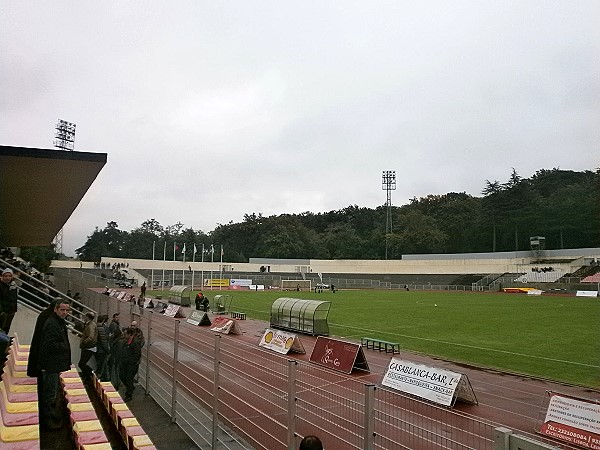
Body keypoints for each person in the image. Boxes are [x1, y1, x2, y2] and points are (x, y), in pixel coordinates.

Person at [37, 300, 72, 430]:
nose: (65, 313)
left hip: (54, 365)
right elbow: (48, 345)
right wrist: (64, 347)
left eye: (67, 310)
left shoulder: (57, 322)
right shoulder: (52, 324)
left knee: (52, 393)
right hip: (51, 365)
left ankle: (53, 420)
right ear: (56, 309)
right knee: (50, 395)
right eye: (62, 310)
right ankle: (50, 423)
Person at [119, 327, 142, 402]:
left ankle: (129, 394)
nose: (124, 335)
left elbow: (137, 354)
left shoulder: (135, 343)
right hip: (125, 363)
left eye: (125, 334)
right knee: (122, 376)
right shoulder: (126, 342)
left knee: (128, 378)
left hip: (131, 365)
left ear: (130, 334)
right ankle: (130, 388)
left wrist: (131, 362)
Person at [78, 311, 98, 381]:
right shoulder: (91, 324)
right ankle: (88, 376)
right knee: (82, 363)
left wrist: (84, 342)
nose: (84, 318)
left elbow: (91, 337)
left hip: (89, 347)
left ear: (87, 317)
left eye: (85, 316)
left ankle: (90, 374)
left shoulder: (90, 326)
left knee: (81, 364)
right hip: (90, 347)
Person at [0, 267, 18, 333]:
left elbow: (14, 298)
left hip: (10, 312)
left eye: (9, 276)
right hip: (3, 311)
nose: (7, 278)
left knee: (6, 329)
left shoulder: (13, 286)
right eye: (6, 276)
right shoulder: (1, 285)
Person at [108, 313, 123, 388]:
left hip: (114, 353)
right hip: (115, 355)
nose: (118, 318)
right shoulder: (114, 326)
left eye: (118, 317)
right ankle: (116, 383)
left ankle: (115, 382)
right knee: (115, 368)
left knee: (114, 367)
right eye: (116, 317)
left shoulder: (114, 325)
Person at [95, 315, 111, 382]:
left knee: (101, 365)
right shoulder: (102, 328)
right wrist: (107, 350)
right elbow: (104, 340)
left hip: (97, 349)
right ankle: (102, 378)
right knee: (101, 366)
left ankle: (104, 377)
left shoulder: (95, 326)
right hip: (102, 350)